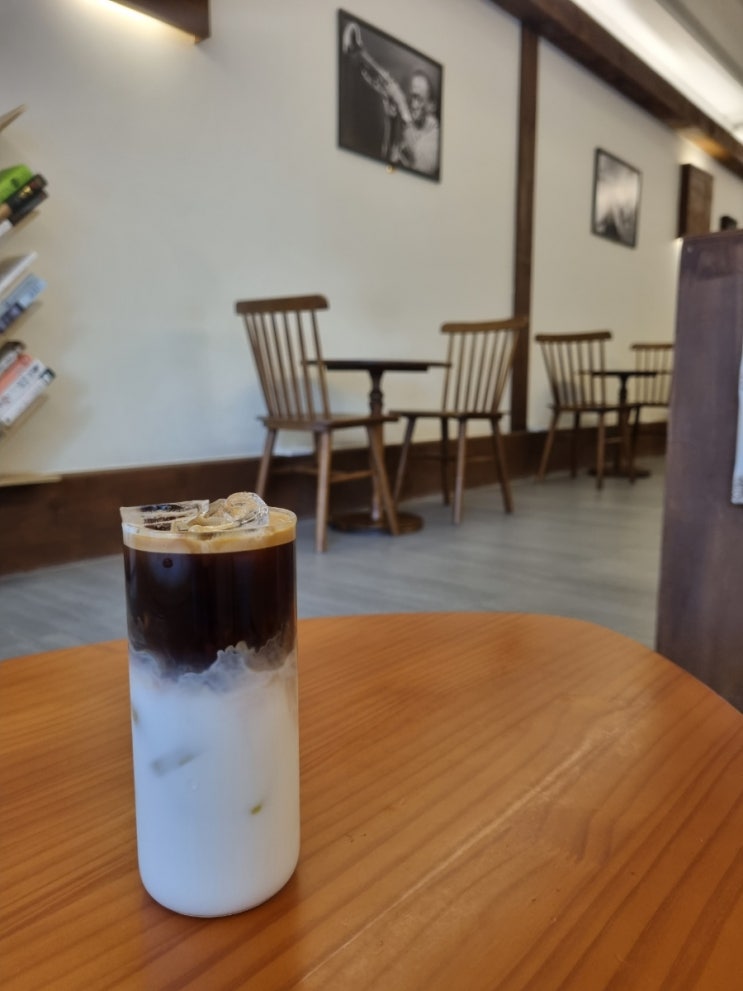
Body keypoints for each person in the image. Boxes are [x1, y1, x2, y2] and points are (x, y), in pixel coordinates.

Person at [389, 70, 440, 177]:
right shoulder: (413, 130)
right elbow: (389, 168)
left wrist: (402, 106)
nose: (412, 104)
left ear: (432, 105)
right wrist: (391, 122)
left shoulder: (436, 137)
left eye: (418, 98)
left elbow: (421, 165)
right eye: (412, 97)